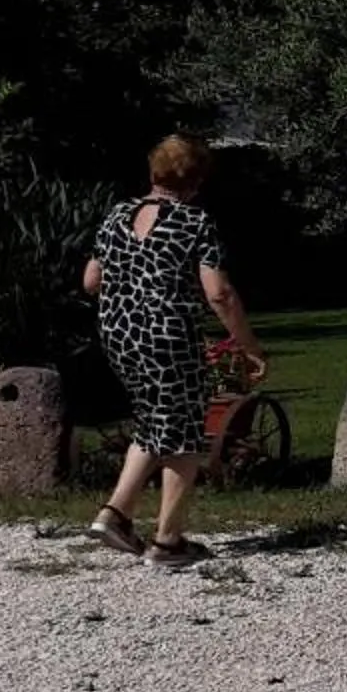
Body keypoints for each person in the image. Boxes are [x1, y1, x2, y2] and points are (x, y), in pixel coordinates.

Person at [83, 135, 264, 564]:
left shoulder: (116, 215)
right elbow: (219, 294)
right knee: (184, 436)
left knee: (155, 420)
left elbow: (91, 281)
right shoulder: (194, 222)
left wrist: (131, 287)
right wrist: (250, 346)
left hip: (119, 336)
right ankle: (167, 542)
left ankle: (115, 515)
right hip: (168, 338)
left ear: (153, 172)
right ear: (196, 180)